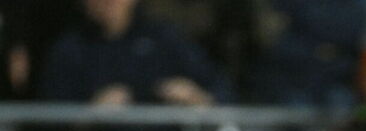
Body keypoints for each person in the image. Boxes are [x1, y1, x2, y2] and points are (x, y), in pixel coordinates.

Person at [38, 0, 232, 107]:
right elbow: (47, 119)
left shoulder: (164, 38)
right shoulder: (70, 48)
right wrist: (92, 114)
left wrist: (196, 97)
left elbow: (221, 90)